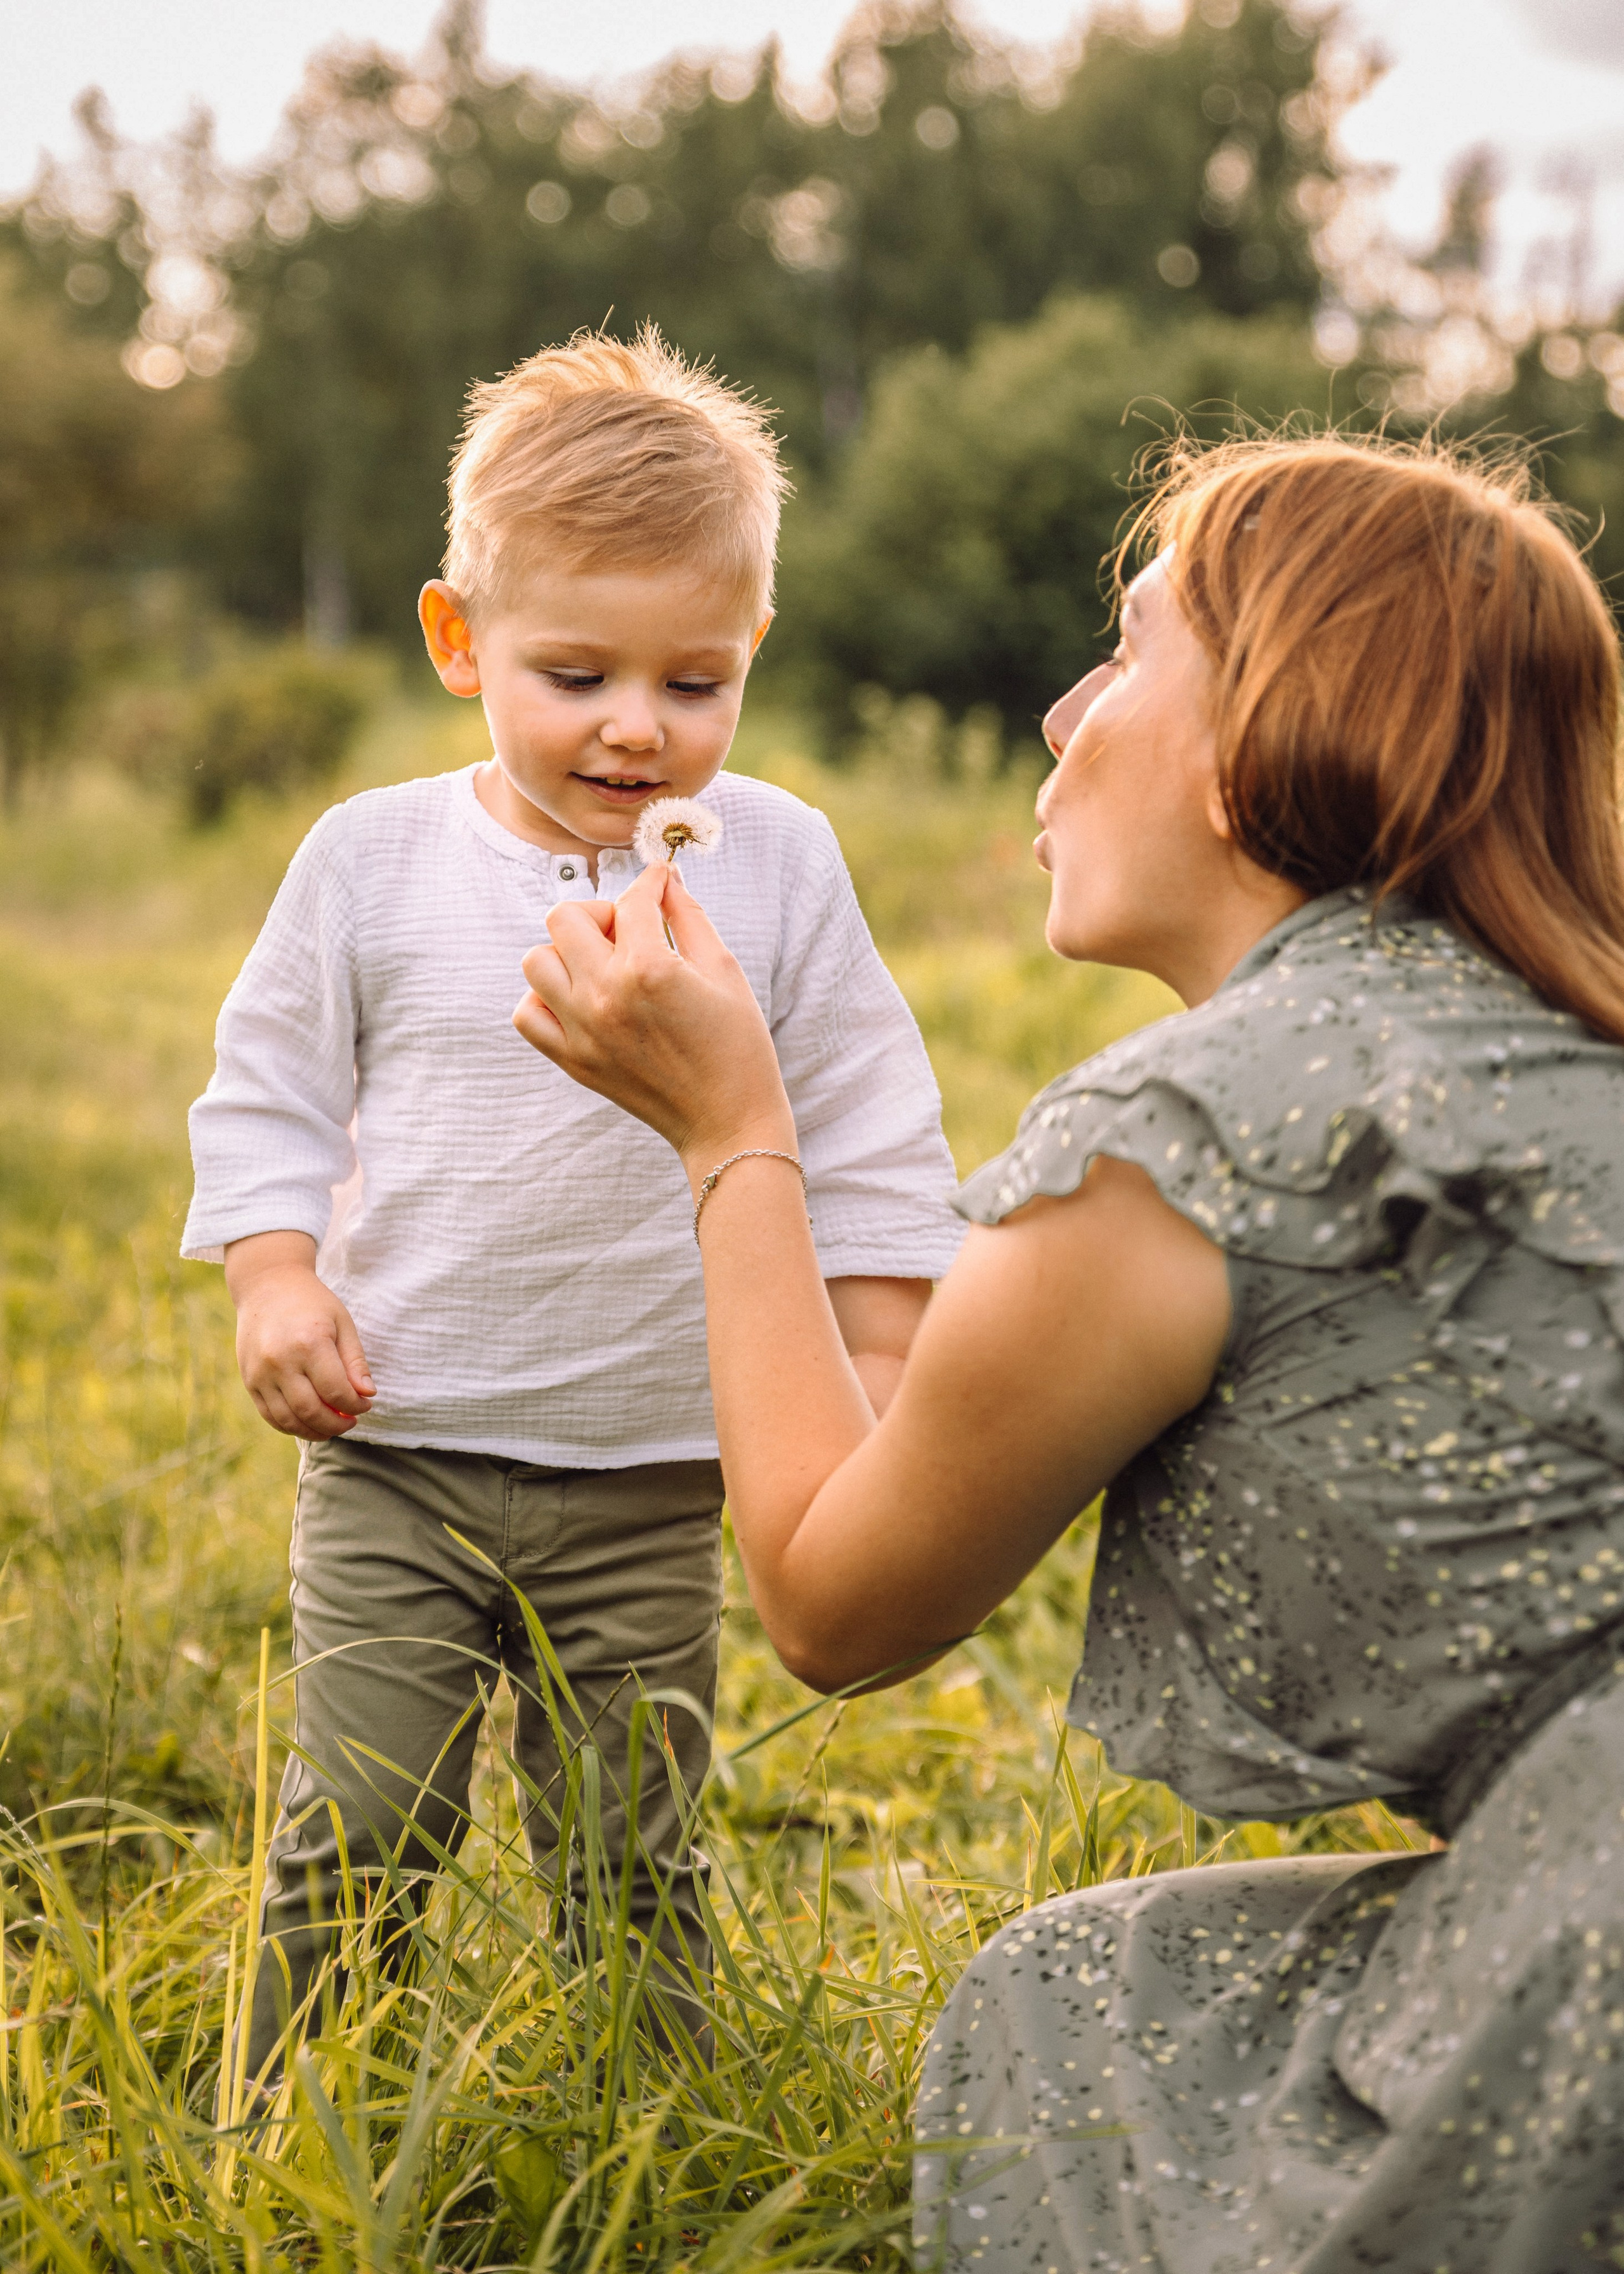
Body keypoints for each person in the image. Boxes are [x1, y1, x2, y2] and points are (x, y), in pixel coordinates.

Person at [511, 432, 1624, 2269]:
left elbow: (833, 1602)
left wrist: (731, 1133)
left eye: (1126, 652)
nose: (1056, 715)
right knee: (1128, 1967)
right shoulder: (1558, 1052)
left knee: (1073, 2022)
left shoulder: (1176, 1145)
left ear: (1264, 732)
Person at [180, 325, 963, 2080]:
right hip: (402, 1449)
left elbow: (865, 1118)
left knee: (635, 1854)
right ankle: (288, 2120)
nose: (636, 728)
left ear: (752, 646)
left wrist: (884, 1350)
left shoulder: (779, 862)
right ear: (461, 643)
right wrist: (276, 1278)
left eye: (694, 683)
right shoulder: (371, 861)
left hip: (653, 1472)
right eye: (577, 674)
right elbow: (270, 1090)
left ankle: (663, 2127)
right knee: (363, 1820)